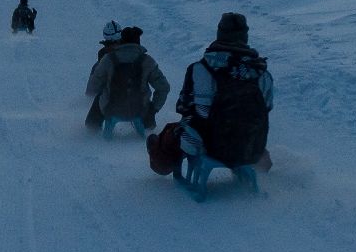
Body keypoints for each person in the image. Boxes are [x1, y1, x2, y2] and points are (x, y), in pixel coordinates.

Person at [176, 11, 274, 174]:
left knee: (176, 130)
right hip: (251, 150)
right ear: (245, 36)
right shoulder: (261, 72)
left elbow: (191, 109)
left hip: (214, 148)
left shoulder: (202, 68)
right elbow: (267, 108)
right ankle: (256, 167)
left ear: (220, 34)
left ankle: (163, 161)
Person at [86, 25, 169, 139]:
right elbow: (164, 87)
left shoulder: (108, 59)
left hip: (110, 108)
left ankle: (91, 131)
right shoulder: (147, 61)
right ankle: (148, 125)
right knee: (147, 98)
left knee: (99, 97)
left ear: (121, 41)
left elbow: (94, 85)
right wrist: (153, 109)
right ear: (138, 42)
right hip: (140, 110)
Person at [84, 20, 121, 130]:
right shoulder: (135, 53)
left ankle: (92, 126)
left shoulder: (103, 55)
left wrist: (90, 94)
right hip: (135, 96)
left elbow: (96, 80)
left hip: (112, 97)